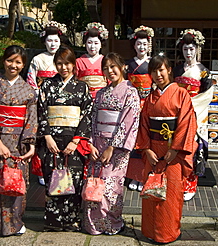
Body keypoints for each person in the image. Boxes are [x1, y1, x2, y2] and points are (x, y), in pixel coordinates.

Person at [0, 45, 38, 236]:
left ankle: (15, 224)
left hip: (19, 143)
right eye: (10, 60)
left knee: (17, 184)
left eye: (18, 62)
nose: (13, 65)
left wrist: (31, 144)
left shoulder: (28, 91)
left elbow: (31, 118)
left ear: (24, 65)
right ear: (4, 61)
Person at [136, 55, 197, 244]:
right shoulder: (150, 98)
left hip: (173, 153)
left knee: (170, 194)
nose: (158, 74)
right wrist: (146, 149)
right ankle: (150, 231)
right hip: (153, 151)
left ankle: (168, 232)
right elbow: (143, 125)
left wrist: (176, 149)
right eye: (154, 71)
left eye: (161, 69)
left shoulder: (181, 94)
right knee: (151, 191)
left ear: (169, 70)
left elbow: (187, 123)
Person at [83, 52, 140, 235]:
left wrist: (111, 147)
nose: (110, 71)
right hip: (98, 143)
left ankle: (111, 224)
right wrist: (91, 143)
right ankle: (93, 225)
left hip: (116, 148)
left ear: (122, 66)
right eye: (106, 68)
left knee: (111, 187)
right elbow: (93, 120)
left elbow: (128, 122)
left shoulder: (130, 92)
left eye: (113, 66)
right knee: (94, 184)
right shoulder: (101, 93)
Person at [37, 45, 93, 232]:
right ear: (55, 64)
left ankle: (71, 221)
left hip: (73, 141)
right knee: (53, 180)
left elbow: (87, 115)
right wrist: (47, 137)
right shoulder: (47, 85)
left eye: (67, 63)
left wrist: (76, 140)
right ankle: (53, 222)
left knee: (74, 182)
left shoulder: (81, 87)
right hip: (51, 141)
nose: (63, 68)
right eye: (59, 64)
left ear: (73, 64)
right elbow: (41, 112)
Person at [173, 29, 213, 201]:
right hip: (177, 112)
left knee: (192, 150)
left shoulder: (204, 71)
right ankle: (175, 182)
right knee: (175, 148)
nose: (188, 53)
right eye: (185, 49)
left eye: (191, 49)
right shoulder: (176, 69)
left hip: (195, 113)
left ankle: (190, 185)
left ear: (197, 49)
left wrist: (188, 108)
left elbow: (207, 94)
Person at [26, 21, 67, 186]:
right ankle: (41, 170)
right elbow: (31, 80)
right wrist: (39, 95)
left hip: (61, 103)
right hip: (42, 101)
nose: (53, 44)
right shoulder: (38, 59)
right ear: (44, 41)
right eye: (50, 40)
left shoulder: (64, 58)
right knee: (42, 137)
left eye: (56, 40)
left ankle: (60, 168)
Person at [125, 25, 154, 192]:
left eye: (145, 44)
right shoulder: (128, 65)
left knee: (147, 141)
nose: (142, 47)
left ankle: (145, 175)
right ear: (134, 46)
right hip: (133, 104)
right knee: (133, 141)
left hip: (148, 104)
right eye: (139, 44)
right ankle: (133, 175)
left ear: (149, 45)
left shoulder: (152, 63)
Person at [76, 22, 109, 100]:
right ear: (85, 44)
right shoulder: (78, 61)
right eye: (89, 43)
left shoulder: (106, 60)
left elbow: (110, 81)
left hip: (102, 97)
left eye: (96, 43)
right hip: (84, 98)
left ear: (101, 45)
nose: (92, 46)